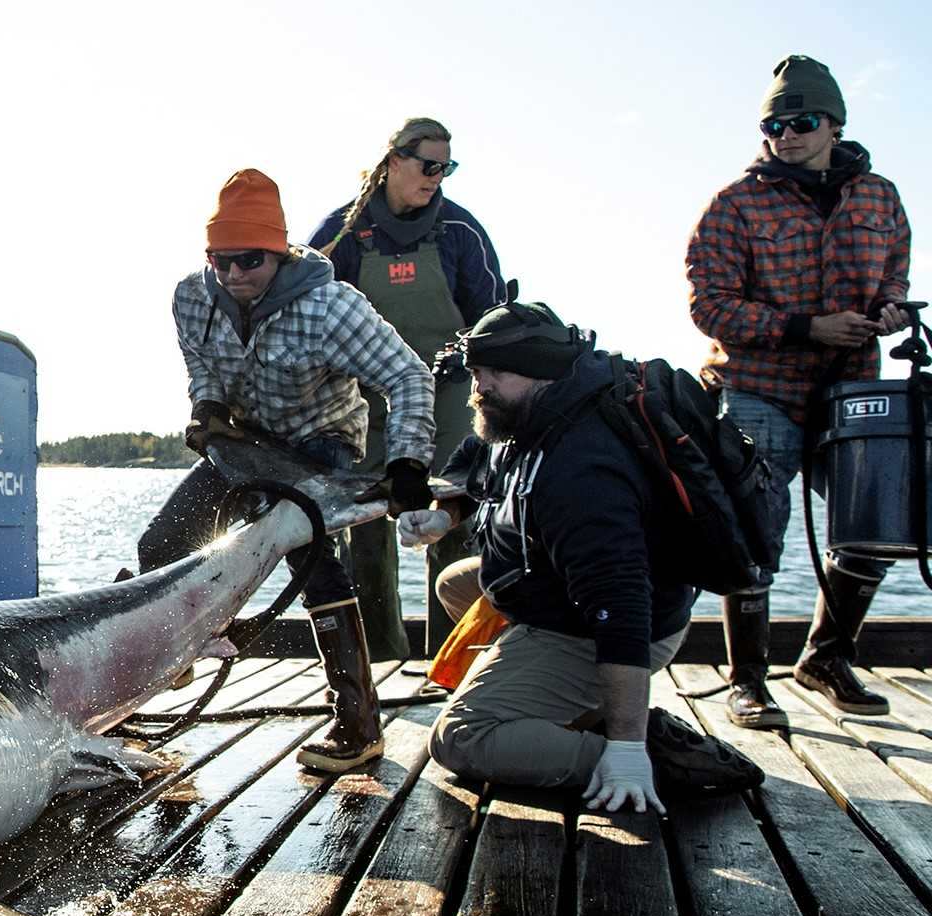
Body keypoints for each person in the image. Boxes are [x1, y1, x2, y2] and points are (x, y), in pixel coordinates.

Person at [136, 168, 439, 773]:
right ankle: (173, 654)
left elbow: (408, 377)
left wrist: (408, 462)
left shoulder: (331, 308)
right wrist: (208, 405)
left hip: (322, 439)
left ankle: (357, 725)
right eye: (219, 260)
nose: (232, 275)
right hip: (245, 437)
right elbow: (201, 364)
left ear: (278, 252)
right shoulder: (191, 297)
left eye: (248, 261)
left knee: (312, 561)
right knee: (161, 544)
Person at [417, 301, 761, 812]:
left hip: (613, 625)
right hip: (553, 591)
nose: (480, 386)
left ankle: (645, 756)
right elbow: (475, 458)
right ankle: (576, 707)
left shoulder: (581, 471)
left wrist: (623, 750)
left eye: (496, 373)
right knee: (457, 583)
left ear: (540, 372)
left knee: (461, 735)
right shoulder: (529, 412)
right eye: (476, 371)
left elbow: (620, 609)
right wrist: (444, 515)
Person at [687, 55, 914, 727]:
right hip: (758, 388)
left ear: (834, 123)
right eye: (774, 124)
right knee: (756, 532)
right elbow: (710, 308)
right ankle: (748, 680)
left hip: (853, 390)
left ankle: (826, 658)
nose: (786, 135)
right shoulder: (733, 205)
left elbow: (894, 273)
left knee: (876, 523)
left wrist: (892, 309)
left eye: (802, 122)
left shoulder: (881, 197)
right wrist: (806, 327)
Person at [310, 119, 508, 663]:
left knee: (451, 523)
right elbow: (307, 312)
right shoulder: (342, 234)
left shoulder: (461, 231)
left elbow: (492, 319)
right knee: (367, 533)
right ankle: (381, 662)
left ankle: (454, 664)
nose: (437, 177)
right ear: (394, 160)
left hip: (449, 397)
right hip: (363, 401)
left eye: (447, 167)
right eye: (428, 165)